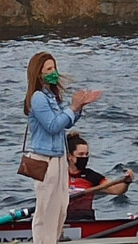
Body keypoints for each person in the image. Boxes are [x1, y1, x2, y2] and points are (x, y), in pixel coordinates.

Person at [24, 52, 101, 244]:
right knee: (46, 207)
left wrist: (79, 107)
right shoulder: (38, 98)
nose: (54, 73)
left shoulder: (51, 97)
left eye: (54, 68)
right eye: (49, 69)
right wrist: (72, 108)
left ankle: (54, 239)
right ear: (39, 73)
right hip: (45, 159)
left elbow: (65, 124)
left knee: (60, 206)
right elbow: (52, 125)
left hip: (58, 157)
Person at [65, 132, 134, 222]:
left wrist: (126, 182)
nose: (84, 157)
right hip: (61, 220)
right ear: (70, 156)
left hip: (85, 219)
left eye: (86, 154)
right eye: (81, 154)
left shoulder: (91, 176)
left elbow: (116, 190)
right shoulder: (58, 175)